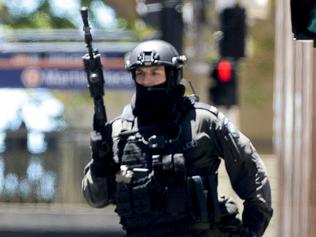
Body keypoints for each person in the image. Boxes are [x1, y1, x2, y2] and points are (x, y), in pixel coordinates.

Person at [81, 40, 273, 237]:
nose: (147, 81)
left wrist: (251, 231)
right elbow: (95, 199)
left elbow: (253, 176)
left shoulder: (203, 121)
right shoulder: (118, 132)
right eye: (141, 74)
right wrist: (100, 166)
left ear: (172, 75)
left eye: (155, 73)